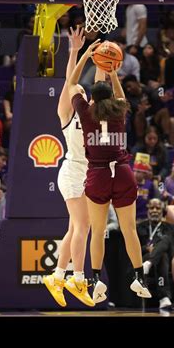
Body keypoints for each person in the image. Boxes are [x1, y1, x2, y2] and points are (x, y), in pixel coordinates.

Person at [67, 39, 151, 302]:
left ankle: (94, 280)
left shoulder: (85, 111)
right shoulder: (119, 111)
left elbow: (71, 84)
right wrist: (113, 71)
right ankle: (139, 278)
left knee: (98, 231)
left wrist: (85, 56)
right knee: (130, 230)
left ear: (92, 96)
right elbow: (122, 95)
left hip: (98, 174)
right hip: (123, 172)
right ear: (110, 97)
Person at [42, 27, 95, 307]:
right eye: (79, 91)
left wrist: (103, 64)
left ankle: (57, 275)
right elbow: (69, 82)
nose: (82, 92)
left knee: (74, 226)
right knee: (82, 225)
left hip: (88, 174)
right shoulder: (67, 114)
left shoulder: (94, 113)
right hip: (72, 171)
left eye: (84, 91)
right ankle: (78, 278)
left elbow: (100, 85)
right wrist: (77, 52)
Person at [137, 199, 174, 309]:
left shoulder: (170, 227)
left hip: (168, 257)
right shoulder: (139, 227)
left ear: (162, 211)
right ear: (147, 210)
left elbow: (171, 245)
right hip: (145, 256)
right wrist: (146, 248)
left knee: (165, 240)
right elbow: (135, 247)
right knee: (161, 257)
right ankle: (164, 297)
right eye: (151, 208)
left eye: (158, 208)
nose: (154, 210)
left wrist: (154, 250)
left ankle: (149, 263)